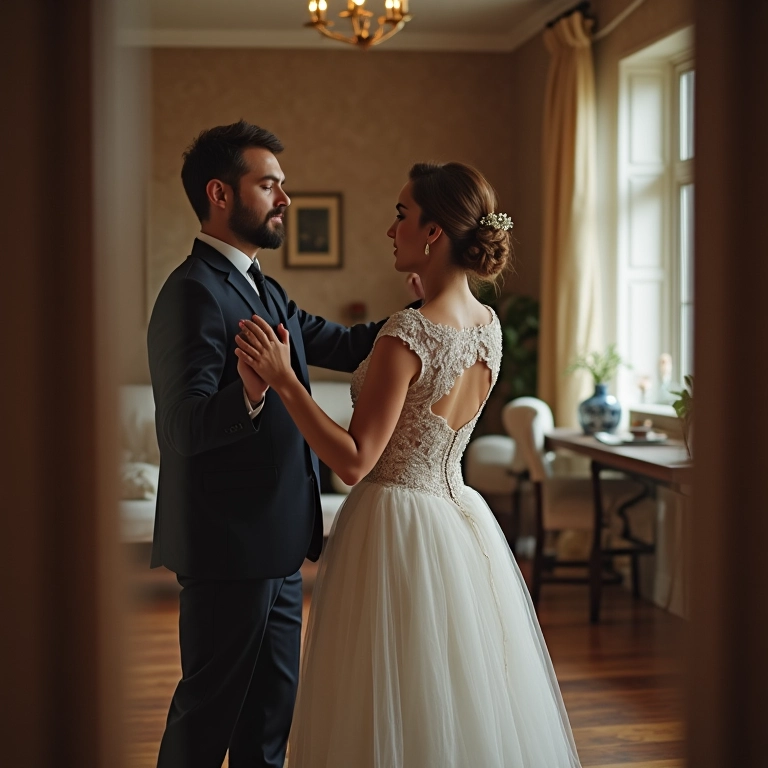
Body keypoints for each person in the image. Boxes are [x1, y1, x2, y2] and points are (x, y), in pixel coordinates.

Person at [236, 162, 582, 767]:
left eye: (401, 215)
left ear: (434, 233)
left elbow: (353, 461)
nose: (389, 229)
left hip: (393, 523)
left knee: (385, 688)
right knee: (450, 687)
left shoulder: (408, 333)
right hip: (457, 520)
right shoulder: (488, 326)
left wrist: (286, 382)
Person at [147, 120, 386, 768]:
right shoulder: (191, 294)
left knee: (267, 727)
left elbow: (342, 342)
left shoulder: (264, 287)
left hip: (278, 548)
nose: (285, 199)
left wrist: (432, 316)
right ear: (221, 194)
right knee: (207, 722)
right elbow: (180, 428)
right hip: (227, 550)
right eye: (270, 185)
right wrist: (250, 392)